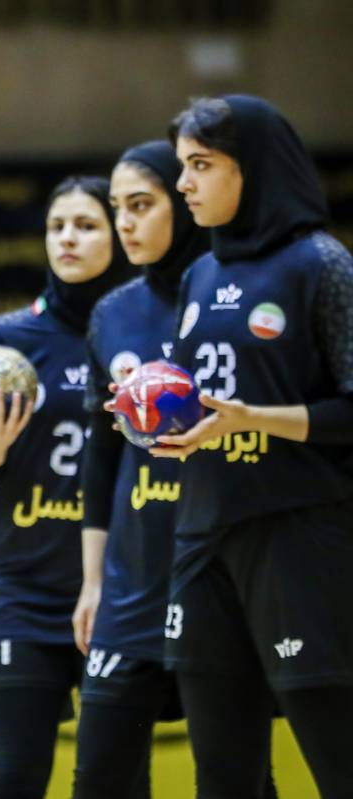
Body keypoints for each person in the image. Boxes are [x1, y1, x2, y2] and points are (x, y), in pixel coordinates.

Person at [152, 94, 353, 797]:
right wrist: (152, 412)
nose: (184, 184)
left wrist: (254, 420)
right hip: (203, 536)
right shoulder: (199, 275)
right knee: (223, 773)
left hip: (298, 534)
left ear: (255, 169)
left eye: (201, 165)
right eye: (182, 166)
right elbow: (201, 401)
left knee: (336, 759)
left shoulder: (321, 264)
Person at [0, 176, 130, 798]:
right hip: (22, 590)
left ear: (118, 234)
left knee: (115, 782)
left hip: (120, 586)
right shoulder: (7, 342)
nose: (67, 239)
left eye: (85, 226)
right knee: (14, 780)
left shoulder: (140, 329)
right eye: (57, 227)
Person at [69, 141, 208, 798]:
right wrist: (93, 581)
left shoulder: (228, 294)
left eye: (142, 205)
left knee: (237, 778)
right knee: (98, 778)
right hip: (130, 582)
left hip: (215, 569)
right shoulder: (113, 312)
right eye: (118, 207)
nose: (125, 223)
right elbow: (101, 458)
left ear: (182, 205)